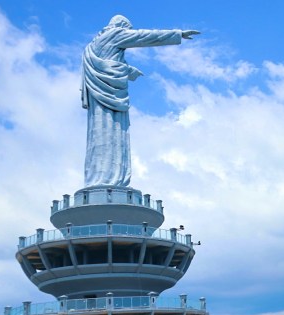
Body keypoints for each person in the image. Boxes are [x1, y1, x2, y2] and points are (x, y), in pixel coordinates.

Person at [81, 15, 200, 187]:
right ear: (122, 27)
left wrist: (128, 70)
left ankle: (96, 178)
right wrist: (178, 34)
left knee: (99, 133)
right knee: (111, 132)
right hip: (110, 96)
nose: (128, 33)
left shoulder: (91, 47)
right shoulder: (115, 35)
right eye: (127, 30)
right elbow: (144, 36)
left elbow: (108, 64)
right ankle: (110, 181)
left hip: (97, 98)